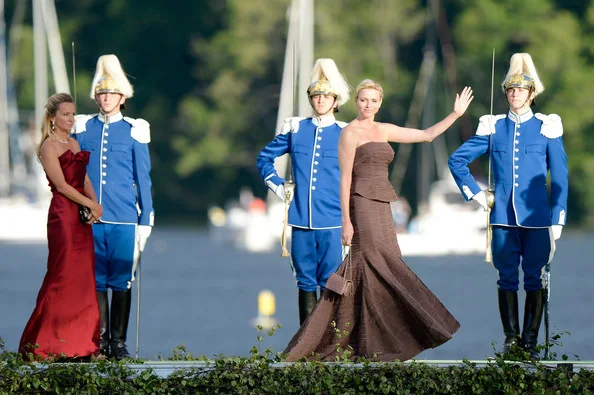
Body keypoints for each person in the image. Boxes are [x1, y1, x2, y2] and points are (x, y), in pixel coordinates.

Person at [283, 80, 473, 362]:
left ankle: (376, 340)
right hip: (360, 203)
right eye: (363, 100)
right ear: (356, 102)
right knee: (371, 263)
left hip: (383, 205)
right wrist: (346, 221)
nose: (367, 105)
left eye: (373, 100)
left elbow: (427, 135)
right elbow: (345, 179)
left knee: (388, 264)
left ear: (379, 104)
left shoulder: (383, 129)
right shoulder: (349, 132)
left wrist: (456, 115)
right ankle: (329, 340)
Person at [448, 53, 568, 360]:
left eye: (521, 90)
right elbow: (457, 160)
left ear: (531, 94)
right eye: (511, 90)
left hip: (538, 219)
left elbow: (560, 178)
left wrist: (557, 219)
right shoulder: (493, 126)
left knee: (534, 279)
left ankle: (530, 344)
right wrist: (476, 195)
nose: (515, 94)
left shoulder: (546, 127)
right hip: (502, 218)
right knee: (506, 280)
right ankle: (511, 341)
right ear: (506, 94)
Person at [257, 59, 351, 325]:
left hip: (333, 221)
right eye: (316, 96)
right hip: (300, 219)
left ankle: (331, 344)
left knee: (331, 281)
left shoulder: (345, 132)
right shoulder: (296, 129)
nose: (320, 100)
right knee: (305, 281)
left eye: (326, 96)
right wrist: (278, 186)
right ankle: (306, 345)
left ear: (335, 101)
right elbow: (264, 159)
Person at [73, 54, 154, 359]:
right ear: (96, 97)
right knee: (93, 280)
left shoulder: (134, 130)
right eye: (102, 93)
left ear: (122, 98)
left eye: (112, 94)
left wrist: (146, 218)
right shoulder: (82, 128)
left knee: (121, 280)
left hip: (123, 217)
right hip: (90, 219)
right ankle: (97, 343)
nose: (106, 98)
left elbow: (142, 178)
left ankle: (117, 344)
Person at [19, 93, 103, 361]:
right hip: (63, 217)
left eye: (72, 114)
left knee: (84, 278)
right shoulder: (48, 147)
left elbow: (84, 178)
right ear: (53, 118)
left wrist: (94, 204)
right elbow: (63, 186)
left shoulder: (75, 143)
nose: (70, 119)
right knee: (62, 275)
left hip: (80, 216)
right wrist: (89, 204)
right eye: (65, 114)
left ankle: (84, 345)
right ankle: (45, 344)